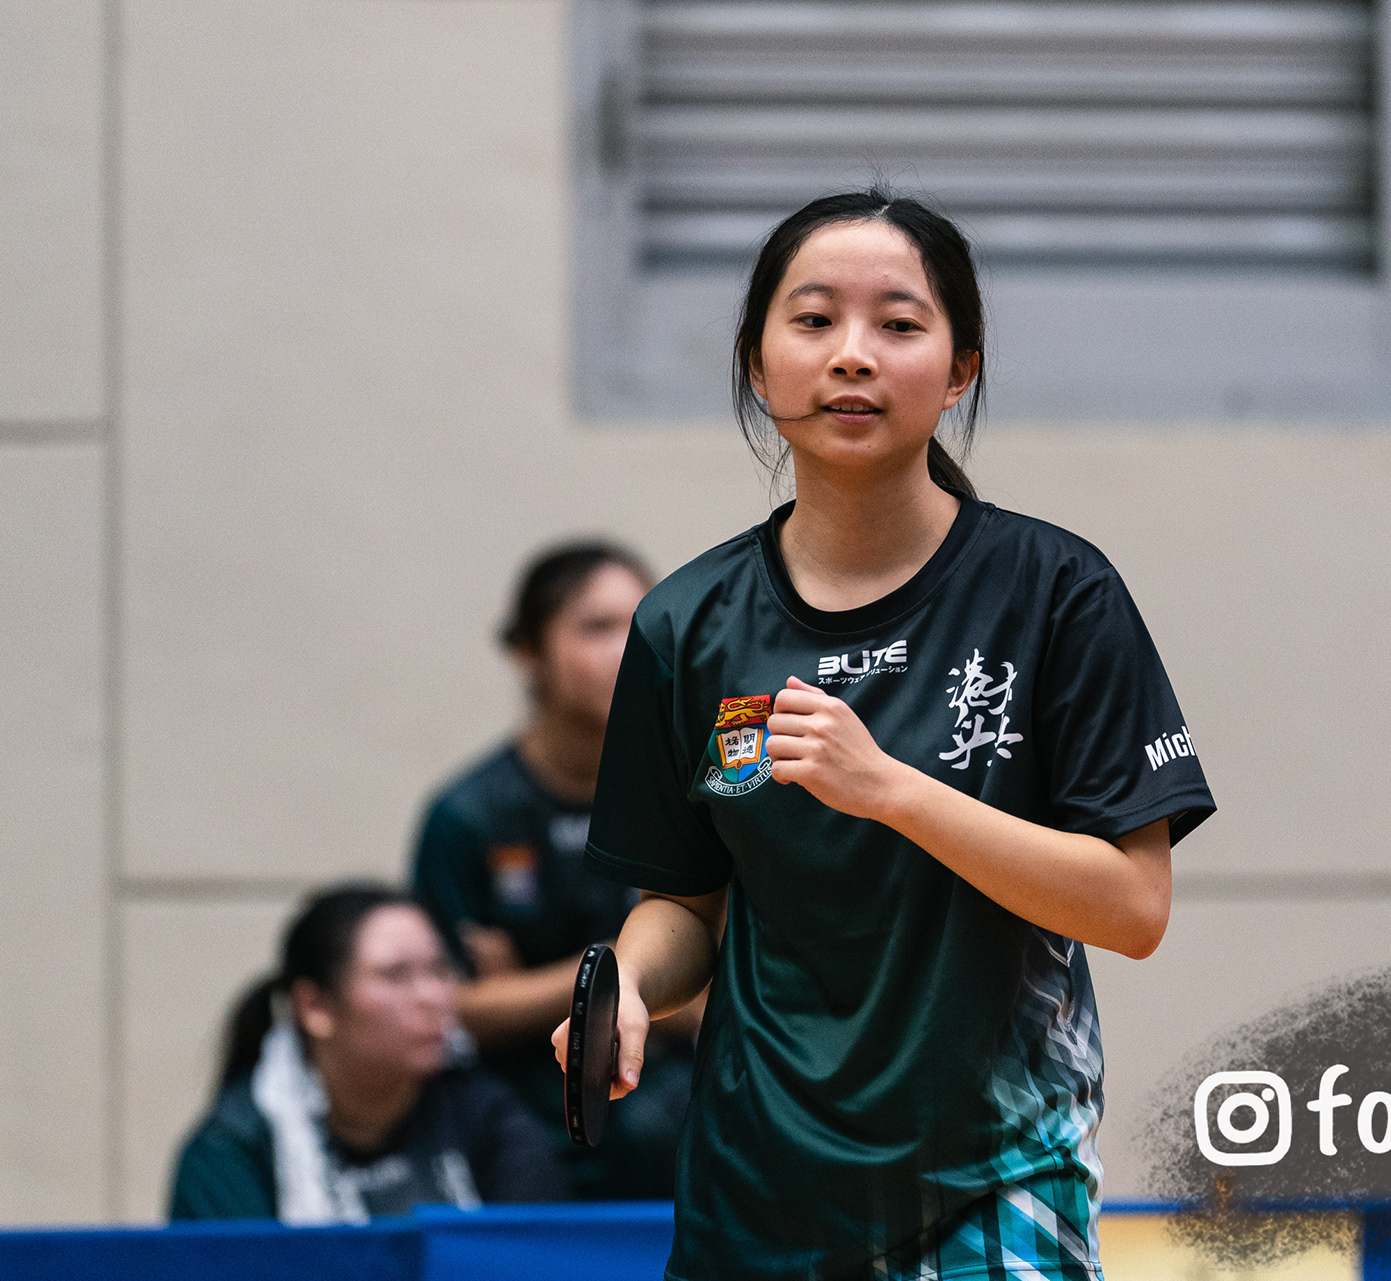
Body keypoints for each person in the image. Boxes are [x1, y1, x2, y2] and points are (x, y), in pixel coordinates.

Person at [551, 187, 1216, 1280]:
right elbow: (685, 903)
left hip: (996, 1177)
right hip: (754, 1190)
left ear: (960, 371)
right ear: (757, 366)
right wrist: (629, 978)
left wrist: (892, 790)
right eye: (814, 320)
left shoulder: (1056, 593)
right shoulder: (687, 624)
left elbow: (1132, 906)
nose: (852, 354)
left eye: (899, 324)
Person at [411, 540, 700, 1200]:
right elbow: (452, 1007)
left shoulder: (688, 790)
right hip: (525, 1129)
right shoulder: (470, 815)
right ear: (528, 652)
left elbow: (717, 994)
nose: (628, 649)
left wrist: (530, 987)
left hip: (676, 1120)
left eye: (642, 625)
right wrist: (624, 970)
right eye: (597, 627)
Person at [170, 884, 564, 1221]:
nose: (433, 996)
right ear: (314, 1007)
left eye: (439, 970)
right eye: (395, 975)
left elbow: (535, 1258)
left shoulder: (488, 1115)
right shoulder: (232, 1148)